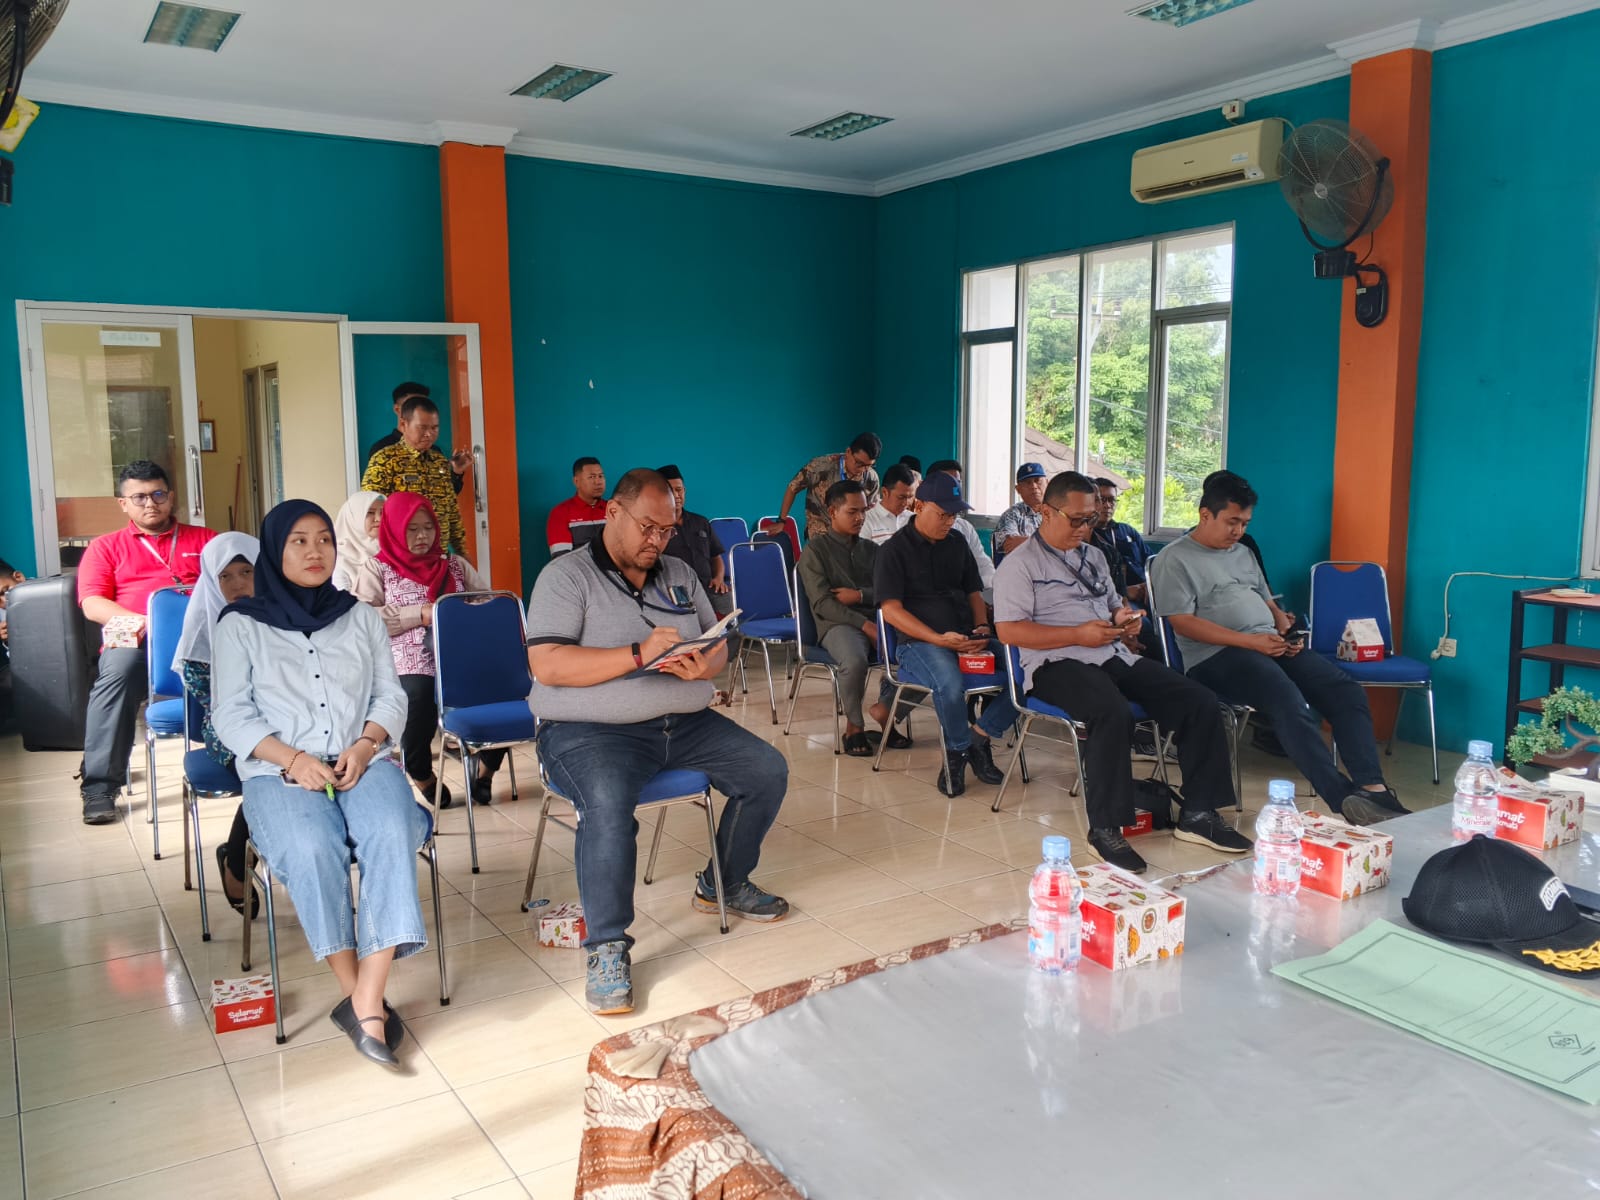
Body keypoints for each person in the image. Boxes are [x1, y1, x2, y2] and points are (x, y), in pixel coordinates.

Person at [527, 468, 789, 1015]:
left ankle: (723, 883)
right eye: (647, 527)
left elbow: (716, 643)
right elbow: (547, 664)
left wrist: (704, 666)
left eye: (667, 530)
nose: (658, 540)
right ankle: (607, 946)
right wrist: (636, 655)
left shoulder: (679, 572)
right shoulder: (565, 576)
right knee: (607, 805)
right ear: (613, 513)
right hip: (590, 732)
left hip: (684, 724)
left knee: (766, 770)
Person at [212, 500, 428, 1068]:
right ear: (274, 550)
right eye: (299, 541)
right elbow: (231, 715)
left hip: (363, 761)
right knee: (312, 847)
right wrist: (292, 760)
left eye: (324, 539)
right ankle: (358, 993)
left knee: (393, 828)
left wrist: (366, 744)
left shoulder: (359, 616)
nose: (315, 551)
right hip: (279, 771)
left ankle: (366, 998)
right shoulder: (240, 625)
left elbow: (390, 696)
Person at [994, 471, 1252, 873]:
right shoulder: (1019, 564)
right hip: (1054, 663)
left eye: (1091, 519)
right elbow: (1009, 631)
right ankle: (1106, 830)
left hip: (1110, 653)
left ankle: (1199, 814)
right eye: (1076, 519)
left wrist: (1124, 618)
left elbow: (1113, 603)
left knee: (1198, 700)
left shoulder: (1094, 556)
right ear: (1046, 512)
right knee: (1110, 710)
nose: (1084, 528)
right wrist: (1077, 634)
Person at [1149, 473, 1405, 826]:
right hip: (1215, 656)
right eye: (1232, 522)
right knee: (1286, 697)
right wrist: (1250, 641)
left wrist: (1283, 627)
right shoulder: (1174, 559)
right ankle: (1342, 797)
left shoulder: (1243, 552)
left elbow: (1265, 598)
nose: (1238, 531)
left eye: (1245, 523)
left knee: (1344, 689)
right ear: (1205, 515)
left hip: (1268, 644)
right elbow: (1182, 622)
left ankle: (1373, 789)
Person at [76, 460, 215, 825]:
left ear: (171, 496)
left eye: (158, 494)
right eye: (139, 497)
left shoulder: (207, 540)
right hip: (140, 639)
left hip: (204, 638)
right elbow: (92, 603)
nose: (150, 503)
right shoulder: (105, 547)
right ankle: (99, 785)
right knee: (117, 675)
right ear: (123, 503)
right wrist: (152, 623)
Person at [874, 473, 1018, 797]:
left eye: (954, 515)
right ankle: (956, 754)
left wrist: (982, 629)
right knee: (950, 685)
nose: (949, 521)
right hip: (919, 644)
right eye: (942, 514)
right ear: (919, 506)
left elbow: (973, 593)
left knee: (1029, 670)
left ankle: (979, 737)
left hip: (967, 637)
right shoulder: (893, 551)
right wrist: (938, 639)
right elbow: (892, 611)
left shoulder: (957, 543)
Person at [353, 492, 501, 808]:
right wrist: (418, 614)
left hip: (461, 653)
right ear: (394, 528)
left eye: (428, 527)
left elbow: (486, 600)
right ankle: (420, 771)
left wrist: (466, 612)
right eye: (412, 529)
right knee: (418, 693)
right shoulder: (377, 569)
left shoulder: (455, 565)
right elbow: (362, 618)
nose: (422, 536)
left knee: (504, 688)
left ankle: (486, 771)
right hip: (409, 659)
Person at [173, 533, 260, 915]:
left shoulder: (283, 615)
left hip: (286, 719)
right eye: (226, 576)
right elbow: (221, 705)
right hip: (229, 726)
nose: (238, 583)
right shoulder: (201, 633)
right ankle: (238, 861)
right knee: (270, 772)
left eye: (247, 572)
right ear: (211, 580)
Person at [798, 480, 892, 756]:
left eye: (863, 511)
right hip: (837, 625)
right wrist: (865, 625)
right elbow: (823, 603)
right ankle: (854, 727)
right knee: (854, 661)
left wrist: (860, 595)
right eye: (852, 511)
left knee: (919, 651)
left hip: (875, 618)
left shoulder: (872, 550)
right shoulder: (816, 551)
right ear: (832, 512)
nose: (860, 517)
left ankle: (888, 712)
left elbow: (888, 591)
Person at [361, 396, 467, 554]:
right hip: (401, 556)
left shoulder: (439, 461)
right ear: (404, 425)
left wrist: (462, 552)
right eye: (422, 428)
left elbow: (451, 511)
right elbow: (370, 511)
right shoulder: (384, 460)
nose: (429, 434)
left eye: (434, 428)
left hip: (438, 556)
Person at [366, 382, 469, 494]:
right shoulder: (382, 452)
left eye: (424, 404)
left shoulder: (435, 453)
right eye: (412, 404)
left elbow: (446, 494)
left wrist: (456, 471)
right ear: (397, 409)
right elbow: (374, 498)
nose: (420, 409)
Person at [776, 433, 882, 540]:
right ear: (848, 452)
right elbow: (793, 487)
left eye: (868, 465)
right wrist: (782, 520)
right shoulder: (820, 467)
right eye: (859, 463)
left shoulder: (871, 478)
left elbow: (870, 511)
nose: (862, 469)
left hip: (851, 536)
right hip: (820, 531)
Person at [656, 465, 730, 615]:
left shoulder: (701, 522)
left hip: (708, 586)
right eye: (670, 491)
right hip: (677, 590)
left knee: (729, 609)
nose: (676, 495)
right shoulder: (657, 527)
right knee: (691, 621)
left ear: (684, 491)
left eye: (679, 490)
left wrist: (719, 578)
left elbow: (716, 557)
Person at [927, 461, 996, 594]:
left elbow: (982, 564)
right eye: (948, 482)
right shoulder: (911, 528)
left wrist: (993, 589)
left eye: (957, 482)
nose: (954, 486)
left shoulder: (964, 528)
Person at [1090, 478, 1152, 603]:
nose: (1108, 505)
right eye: (1102, 499)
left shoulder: (1127, 531)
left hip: (1146, 592)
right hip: (1114, 598)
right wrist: (1124, 592)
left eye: (1112, 500)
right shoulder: (1085, 536)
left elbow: (1151, 561)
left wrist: (1150, 585)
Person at [547, 457, 607, 557]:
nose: (598, 482)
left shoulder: (614, 510)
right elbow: (562, 558)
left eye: (600, 476)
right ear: (576, 481)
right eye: (591, 477)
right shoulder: (560, 513)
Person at [332, 491, 384, 593]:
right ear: (353, 517)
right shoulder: (338, 559)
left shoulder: (393, 549)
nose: (379, 519)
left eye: (382, 513)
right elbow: (343, 599)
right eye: (370, 513)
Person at [994, 462, 1049, 554]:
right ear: (1018, 489)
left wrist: (1026, 542)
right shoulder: (1011, 515)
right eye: (1028, 482)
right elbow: (1008, 544)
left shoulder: (1058, 512)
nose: (1034, 486)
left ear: (1047, 483)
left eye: (1037, 480)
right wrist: (1050, 544)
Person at [863, 463, 916, 545]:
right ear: (884, 492)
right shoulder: (866, 521)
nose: (906, 503)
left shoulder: (914, 520)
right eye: (901, 497)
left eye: (910, 497)